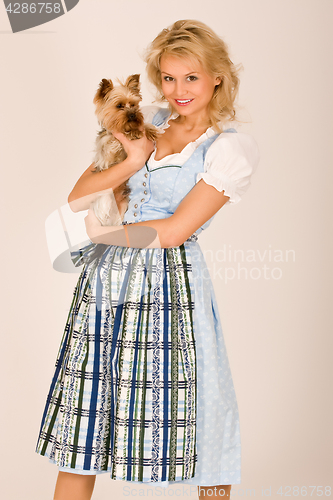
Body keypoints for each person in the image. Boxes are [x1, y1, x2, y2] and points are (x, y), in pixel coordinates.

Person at [35, 19, 260, 500]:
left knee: (197, 411)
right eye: (169, 77)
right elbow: (78, 195)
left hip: (170, 288)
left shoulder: (229, 147)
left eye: (191, 77)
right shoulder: (144, 122)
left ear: (217, 76)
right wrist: (133, 161)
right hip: (106, 285)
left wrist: (104, 233)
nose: (178, 90)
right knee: (86, 413)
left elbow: (176, 231)